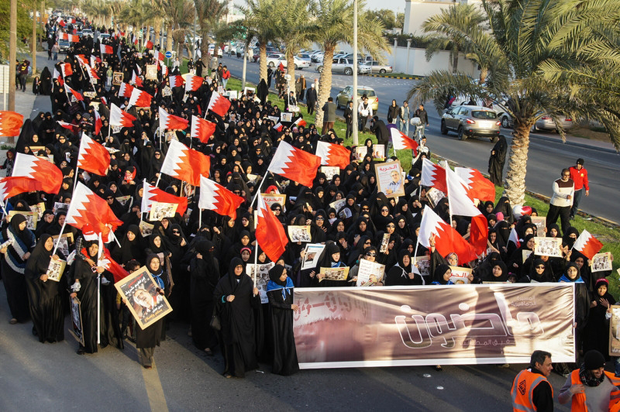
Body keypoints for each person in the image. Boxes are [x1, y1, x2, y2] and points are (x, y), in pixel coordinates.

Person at [213, 257, 261, 378]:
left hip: (245, 319)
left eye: (240, 267)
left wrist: (255, 295)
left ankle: (246, 365)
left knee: (245, 342)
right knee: (232, 344)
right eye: (236, 267)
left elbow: (254, 303)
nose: (238, 270)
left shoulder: (248, 281)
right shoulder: (224, 281)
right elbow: (216, 297)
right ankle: (232, 370)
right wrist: (226, 298)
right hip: (230, 319)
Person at [25, 234, 65, 343]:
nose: (50, 243)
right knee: (44, 312)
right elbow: (29, 273)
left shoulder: (55, 253)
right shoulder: (36, 256)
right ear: (42, 243)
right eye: (47, 241)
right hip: (43, 291)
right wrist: (40, 277)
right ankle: (45, 333)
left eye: (51, 241)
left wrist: (59, 260)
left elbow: (66, 267)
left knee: (56, 312)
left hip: (55, 290)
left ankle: (55, 333)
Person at [134, 255, 171, 368]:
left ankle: (150, 354)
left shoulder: (163, 275)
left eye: (157, 262)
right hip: (144, 310)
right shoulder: (142, 276)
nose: (155, 264)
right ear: (148, 263)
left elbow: (168, 288)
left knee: (154, 333)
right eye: (152, 262)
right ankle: (146, 358)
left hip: (157, 309)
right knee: (144, 333)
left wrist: (163, 293)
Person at [0, 213, 36, 324]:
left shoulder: (28, 234)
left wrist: (30, 253)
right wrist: (2, 251)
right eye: (21, 223)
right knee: (13, 290)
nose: (23, 225)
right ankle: (16, 315)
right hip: (9, 266)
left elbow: (34, 246)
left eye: (24, 223)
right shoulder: (5, 233)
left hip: (26, 266)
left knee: (25, 290)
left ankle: (28, 313)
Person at [266, 264, 299, 375]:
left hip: (288, 316)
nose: (286, 276)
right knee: (279, 340)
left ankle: (290, 366)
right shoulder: (271, 286)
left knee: (288, 339)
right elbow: (273, 303)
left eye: (286, 273)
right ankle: (279, 366)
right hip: (277, 317)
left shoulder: (289, 282)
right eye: (283, 274)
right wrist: (288, 307)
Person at [546, 168, 574, 235]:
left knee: (565, 222)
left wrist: (571, 203)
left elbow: (572, 192)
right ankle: (548, 234)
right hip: (555, 204)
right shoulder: (556, 182)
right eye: (565, 175)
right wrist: (565, 196)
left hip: (565, 205)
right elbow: (556, 192)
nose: (566, 177)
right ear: (562, 175)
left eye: (568, 175)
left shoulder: (571, 182)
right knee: (551, 220)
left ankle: (566, 235)